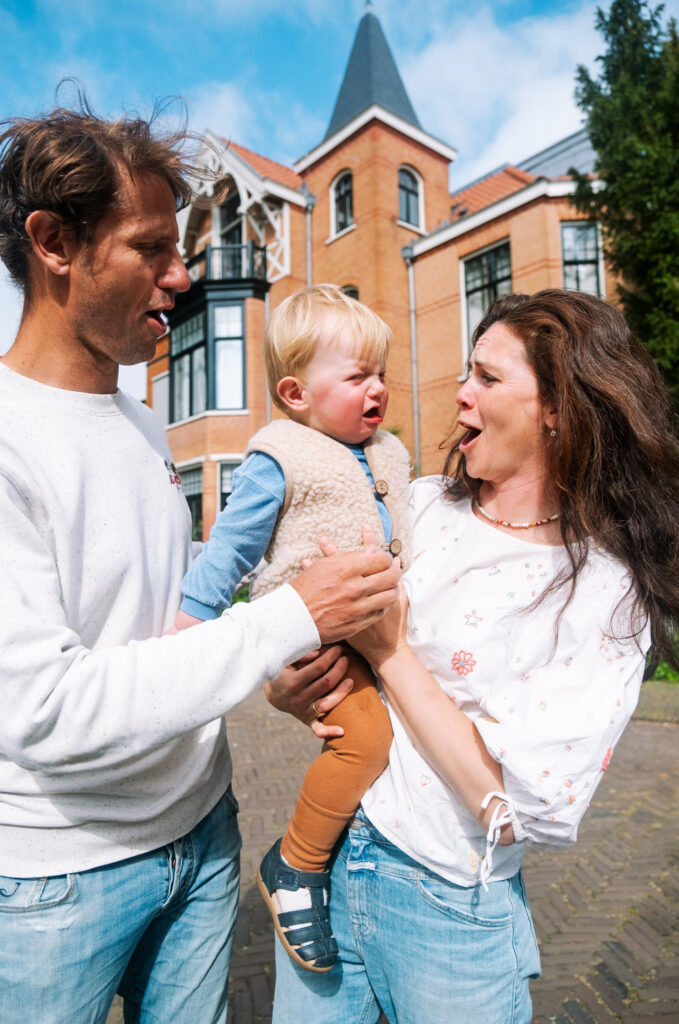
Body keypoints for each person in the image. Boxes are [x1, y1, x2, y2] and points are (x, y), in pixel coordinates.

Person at [0, 104, 400, 1024]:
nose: (181, 276)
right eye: (151, 249)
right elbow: (45, 709)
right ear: (54, 241)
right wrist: (289, 618)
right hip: (58, 879)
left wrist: (279, 674)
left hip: (206, 831)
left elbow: (165, 624)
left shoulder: (142, 425)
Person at [269, 289, 679, 1023]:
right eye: (467, 372)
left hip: (446, 905)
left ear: (557, 407)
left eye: (487, 378)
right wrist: (292, 681)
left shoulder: (602, 590)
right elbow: (309, 639)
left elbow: (514, 809)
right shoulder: (418, 505)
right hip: (327, 864)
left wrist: (389, 651)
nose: (459, 394)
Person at [175, 283, 411, 972]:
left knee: (392, 743)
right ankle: (295, 865)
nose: (377, 389)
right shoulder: (279, 456)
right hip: (319, 636)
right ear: (296, 392)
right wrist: (189, 632)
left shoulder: (389, 452)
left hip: (380, 627)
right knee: (363, 744)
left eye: (381, 374)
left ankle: (347, 865)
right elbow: (228, 552)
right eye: (357, 376)